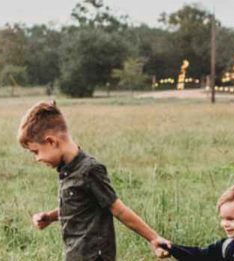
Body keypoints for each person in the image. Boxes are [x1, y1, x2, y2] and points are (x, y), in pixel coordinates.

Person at [19, 100, 171, 260]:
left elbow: (118, 209)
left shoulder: (90, 170)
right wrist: (50, 217)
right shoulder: (67, 170)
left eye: (35, 152)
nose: (36, 159)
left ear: (51, 142)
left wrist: (154, 238)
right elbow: (81, 205)